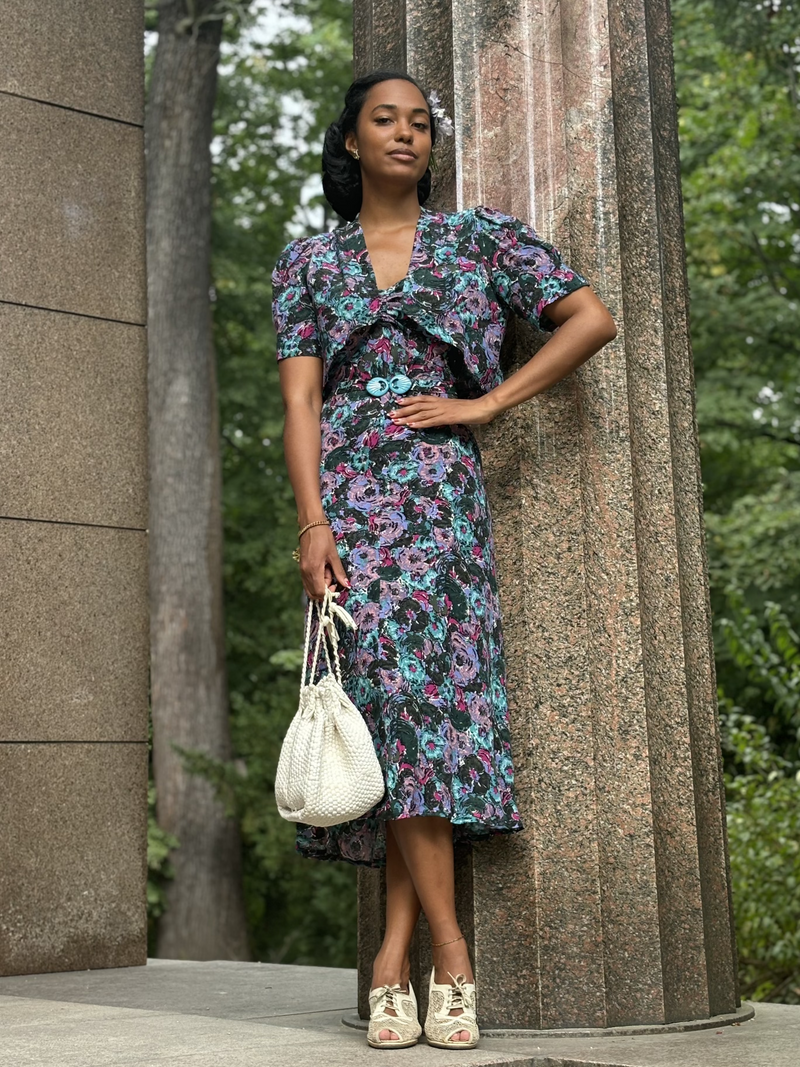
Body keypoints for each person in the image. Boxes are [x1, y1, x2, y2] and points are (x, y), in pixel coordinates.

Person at [271, 69, 617, 1051]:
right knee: (385, 706)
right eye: (384, 119)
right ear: (349, 142)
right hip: (347, 496)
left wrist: (485, 403)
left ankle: (411, 953)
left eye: (421, 123)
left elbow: (587, 318)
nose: (405, 134)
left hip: (434, 494)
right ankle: (432, 952)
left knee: (417, 703)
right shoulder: (307, 261)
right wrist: (310, 522)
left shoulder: (480, 239)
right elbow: (300, 401)